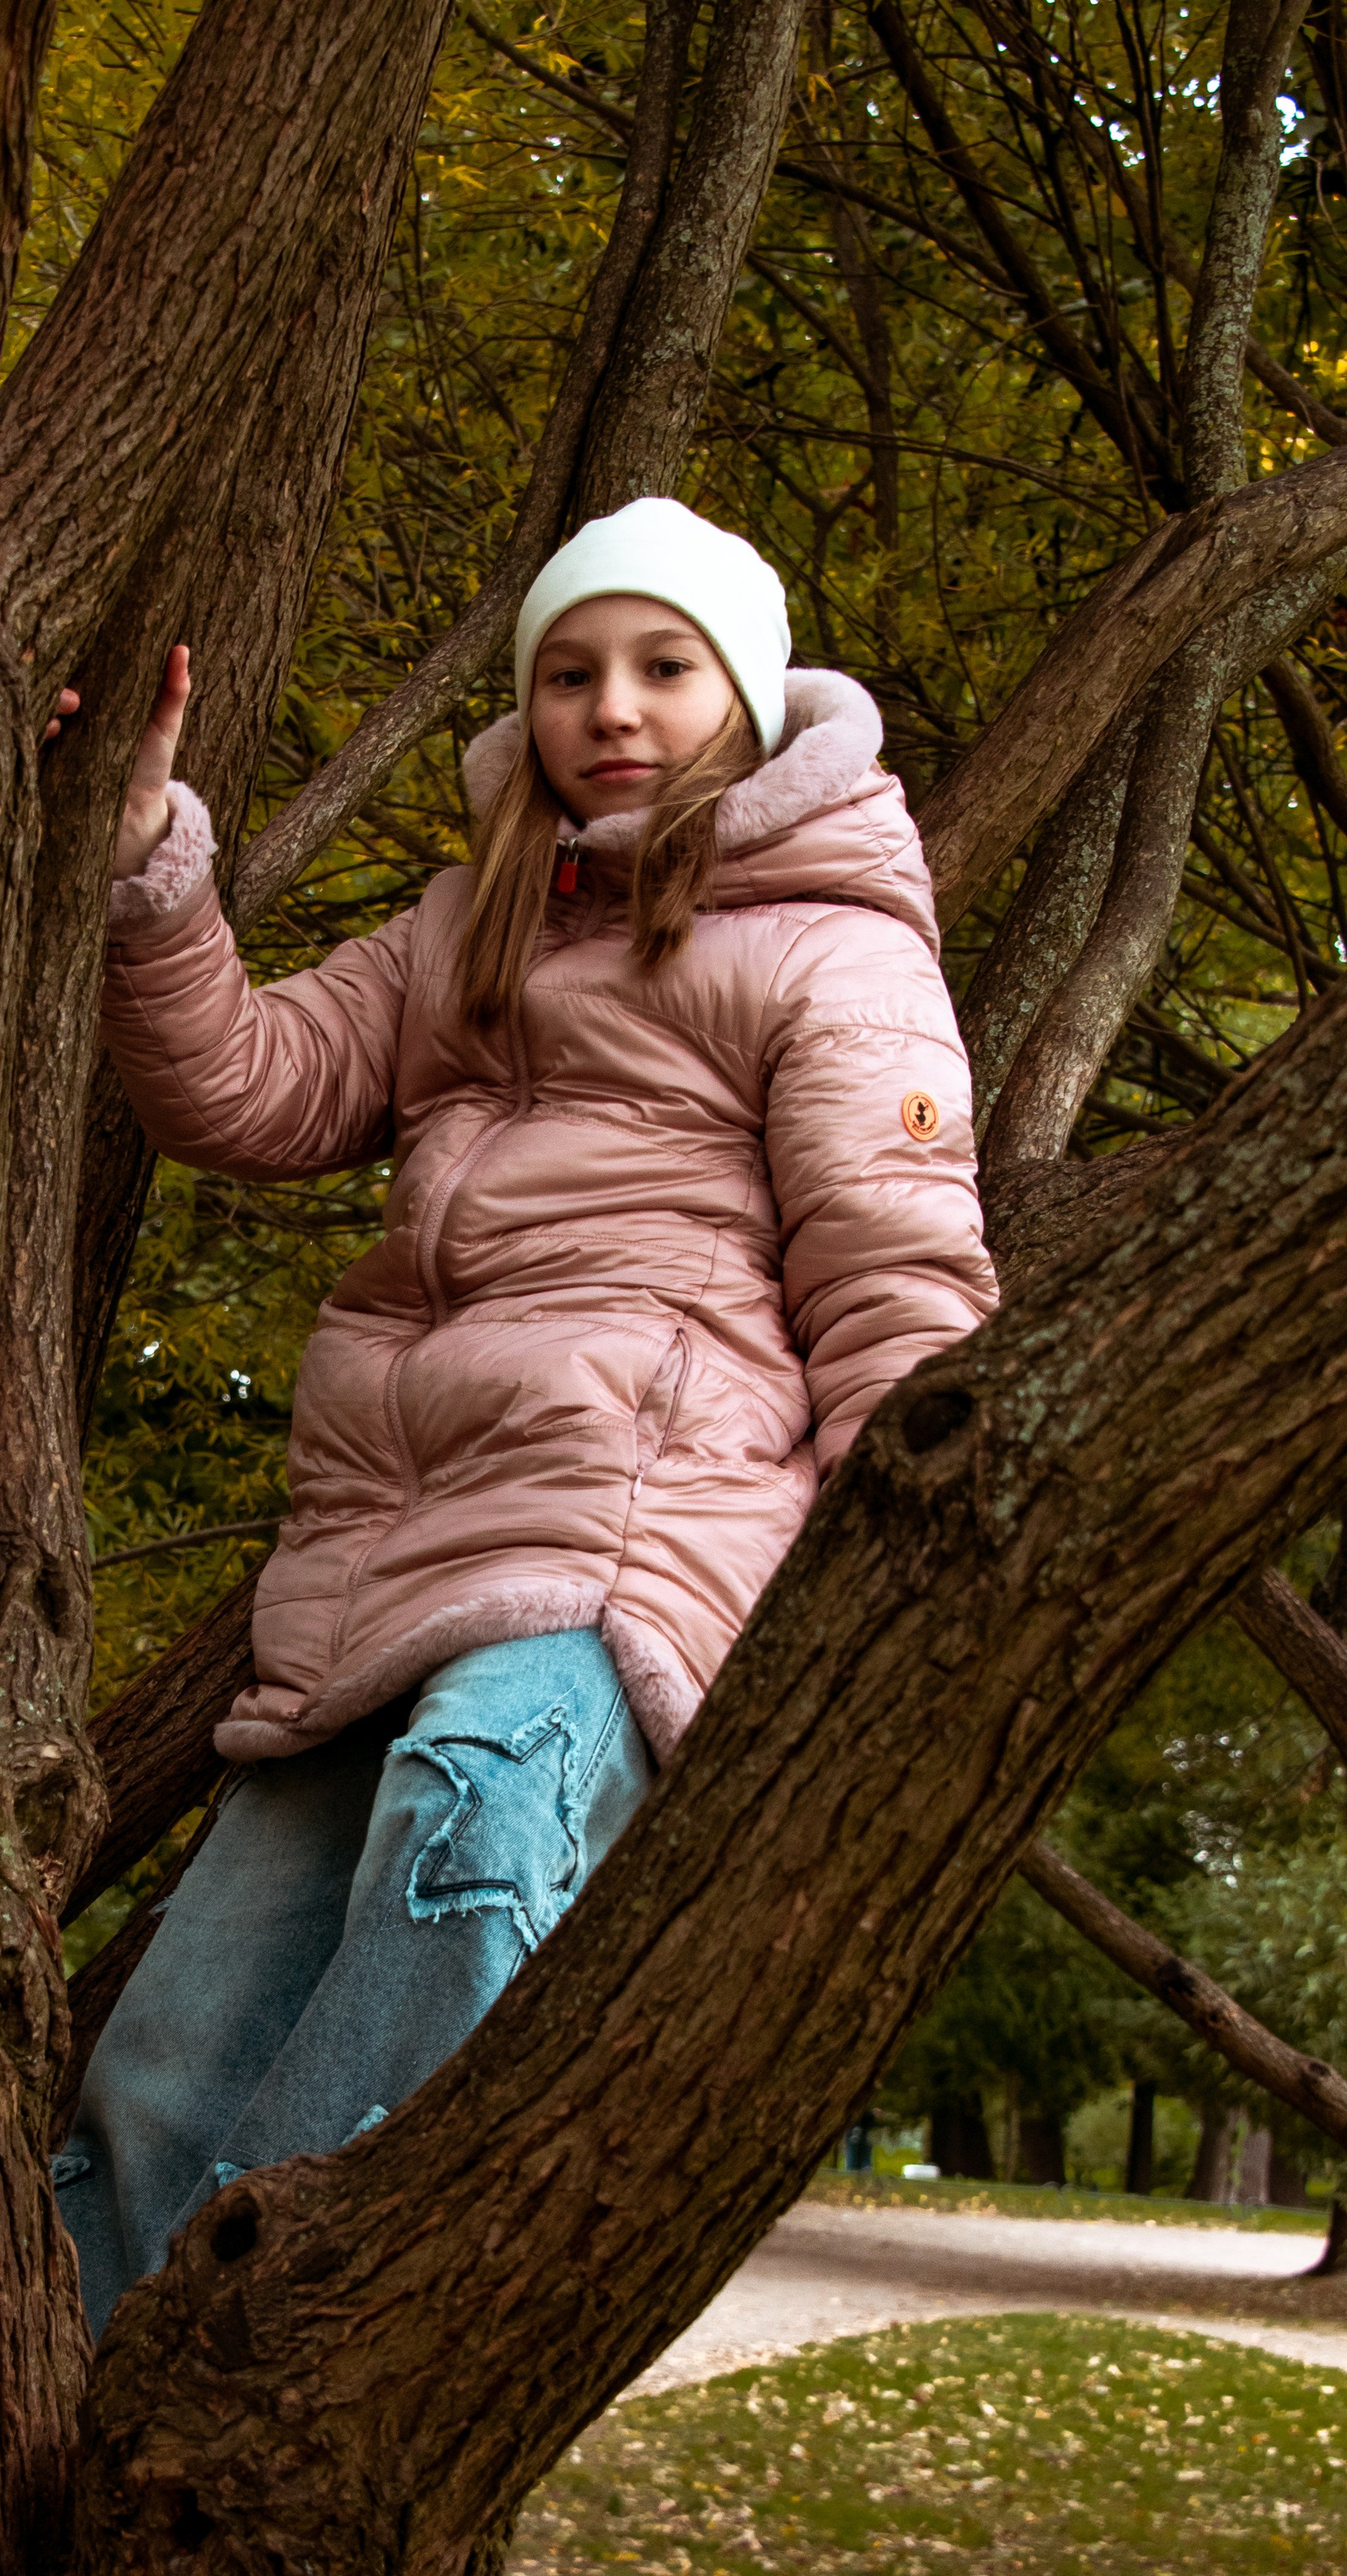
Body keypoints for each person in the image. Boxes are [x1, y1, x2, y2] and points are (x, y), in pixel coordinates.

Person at [54, 496, 996, 2334]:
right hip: (383, 1552)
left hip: (626, 1529)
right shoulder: (465, 930)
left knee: (471, 1824)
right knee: (163, 2061)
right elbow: (248, 1093)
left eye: (662, 666)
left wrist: (924, 1569)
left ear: (742, 693)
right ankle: (71, 2427)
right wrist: (150, 862)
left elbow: (894, 1273)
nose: (609, 707)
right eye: (568, 673)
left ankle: (287, 2337)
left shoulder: (828, 950)